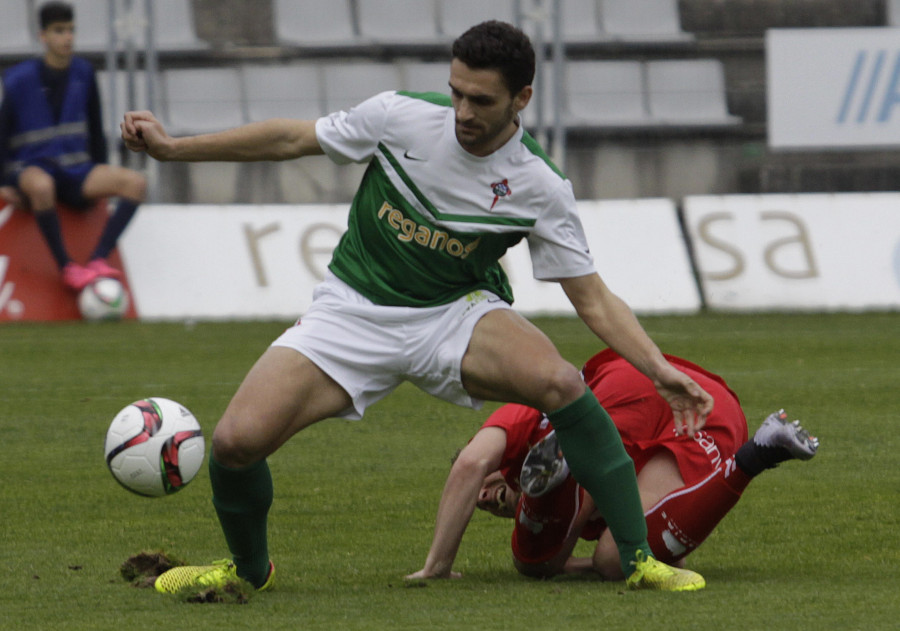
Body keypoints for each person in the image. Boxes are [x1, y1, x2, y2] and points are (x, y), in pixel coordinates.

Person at [123, 20, 713, 594]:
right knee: (233, 444)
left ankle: (638, 561)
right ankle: (248, 569)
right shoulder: (400, 115)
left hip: (451, 314)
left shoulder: (539, 184)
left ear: (522, 98)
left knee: (562, 383)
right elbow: (290, 138)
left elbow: (594, 299)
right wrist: (174, 150)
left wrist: (658, 369)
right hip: (350, 311)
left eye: (481, 100)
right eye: (456, 92)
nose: (462, 112)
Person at [409, 349, 818, 581]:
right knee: (614, 556)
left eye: (486, 488)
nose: (485, 499)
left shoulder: (518, 420)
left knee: (540, 559)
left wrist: (437, 567)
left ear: (505, 466)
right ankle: (762, 448)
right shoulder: (534, 438)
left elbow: (470, 462)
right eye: (485, 507)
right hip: (673, 392)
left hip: (680, 404)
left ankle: (754, 456)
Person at [0, 1, 146, 291]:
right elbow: (2, 134)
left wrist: (100, 168)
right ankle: (67, 267)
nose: (67, 37)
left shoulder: (84, 73)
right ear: (43, 36)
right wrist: (3, 182)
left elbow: (95, 127)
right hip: (32, 167)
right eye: (59, 31)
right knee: (42, 187)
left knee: (136, 183)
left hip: (75, 169)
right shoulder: (16, 80)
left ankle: (98, 259)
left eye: (71, 30)